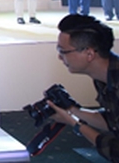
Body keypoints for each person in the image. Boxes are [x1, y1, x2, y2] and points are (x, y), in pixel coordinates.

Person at [47, 14, 119, 162]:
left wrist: (75, 124)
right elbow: (113, 120)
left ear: (89, 54)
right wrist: (72, 110)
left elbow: (116, 152)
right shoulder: (105, 77)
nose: (60, 57)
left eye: (63, 51)